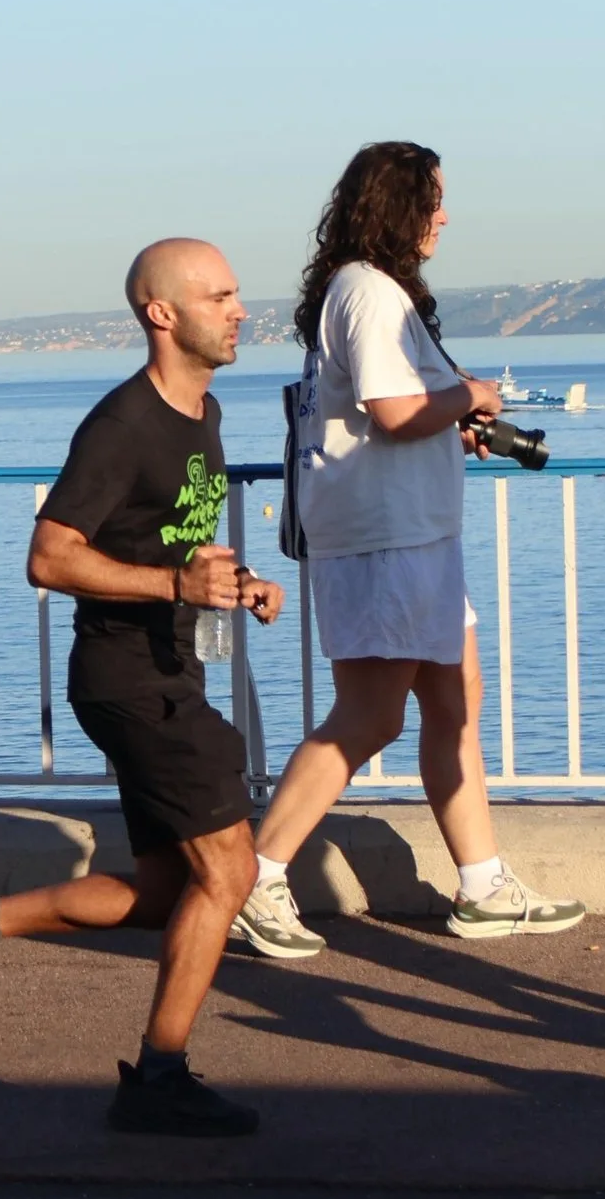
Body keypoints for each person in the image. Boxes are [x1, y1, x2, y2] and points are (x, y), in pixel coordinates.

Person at [0, 239, 280, 1137]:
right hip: (131, 680)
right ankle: (159, 1075)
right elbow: (49, 555)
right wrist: (175, 589)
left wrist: (233, 577)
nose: (238, 310)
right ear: (162, 313)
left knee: (168, 890)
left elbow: (172, 542)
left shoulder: (204, 414)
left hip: (170, 667)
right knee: (229, 873)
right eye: (219, 296)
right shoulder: (123, 425)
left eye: (235, 295)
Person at [229, 143, 583, 963]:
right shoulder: (368, 291)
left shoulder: (366, 293)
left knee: (456, 698)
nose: (445, 217)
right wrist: (473, 396)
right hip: (386, 539)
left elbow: (393, 407)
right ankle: (259, 874)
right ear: (399, 206)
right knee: (372, 714)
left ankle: (484, 883)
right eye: (435, 201)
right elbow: (391, 409)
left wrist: (449, 421)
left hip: (415, 535)